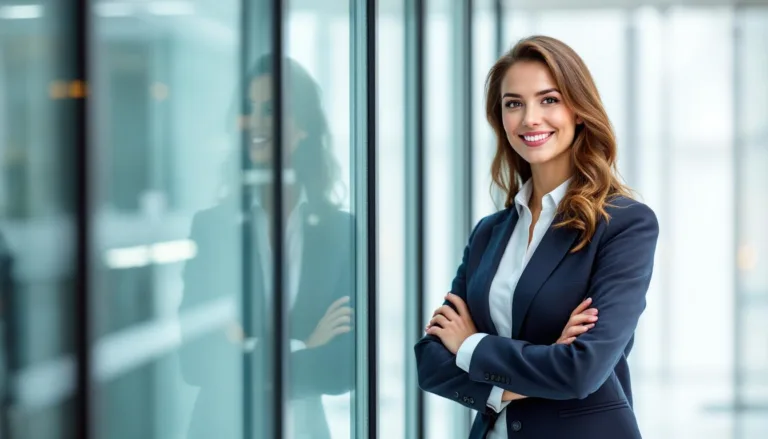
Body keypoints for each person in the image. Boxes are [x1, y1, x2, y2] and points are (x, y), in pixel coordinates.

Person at [415, 35, 659, 439]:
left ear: (579, 110)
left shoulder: (623, 225)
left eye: (549, 100)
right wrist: (538, 369)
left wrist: (471, 346)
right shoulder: (489, 233)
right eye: (514, 103)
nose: (530, 118)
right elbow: (431, 363)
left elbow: (582, 370)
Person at [178, 56, 355, 439]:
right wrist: (303, 345)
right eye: (249, 109)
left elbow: (343, 368)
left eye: (272, 109)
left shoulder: (340, 231)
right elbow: (195, 361)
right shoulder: (212, 228)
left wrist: (247, 350)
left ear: (304, 126)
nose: (257, 121)